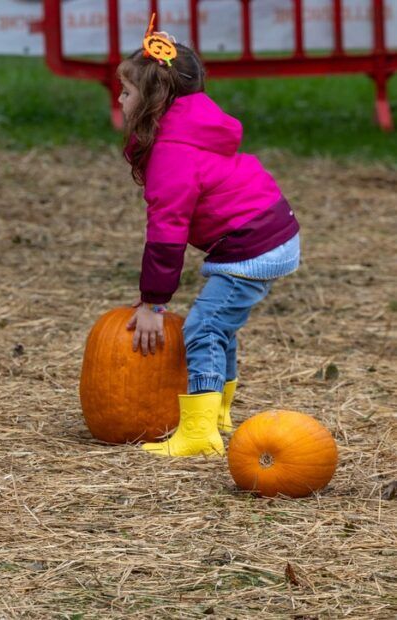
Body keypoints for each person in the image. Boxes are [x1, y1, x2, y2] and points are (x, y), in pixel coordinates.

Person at [119, 24, 301, 457]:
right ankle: (218, 415)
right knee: (221, 328)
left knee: (203, 327)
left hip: (253, 242)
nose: (120, 100)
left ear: (156, 99)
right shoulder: (190, 129)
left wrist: (152, 304)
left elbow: (167, 234)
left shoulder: (174, 152)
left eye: (126, 91)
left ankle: (199, 434)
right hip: (264, 234)